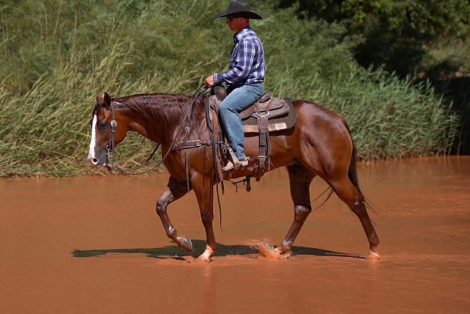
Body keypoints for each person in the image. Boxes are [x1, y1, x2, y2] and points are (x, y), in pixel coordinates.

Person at [204, 0, 265, 171]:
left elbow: (241, 72)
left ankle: (239, 156)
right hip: (242, 85)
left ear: (241, 19)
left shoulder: (246, 40)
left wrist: (216, 77)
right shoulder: (242, 38)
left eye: (229, 18)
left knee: (227, 108)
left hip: (250, 86)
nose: (227, 22)